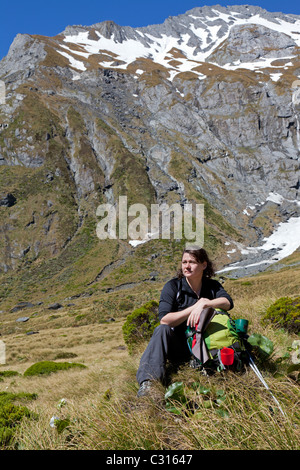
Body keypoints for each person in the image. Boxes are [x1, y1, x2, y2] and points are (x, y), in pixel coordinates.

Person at [136, 247, 234, 397]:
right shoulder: (173, 287)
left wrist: (205, 303)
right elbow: (164, 319)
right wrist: (193, 308)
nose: (187, 266)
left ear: (204, 265)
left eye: (192, 262)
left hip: (207, 346)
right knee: (161, 330)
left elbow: (227, 302)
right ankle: (149, 383)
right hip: (180, 347)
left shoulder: (212, 286)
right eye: (184, 262)